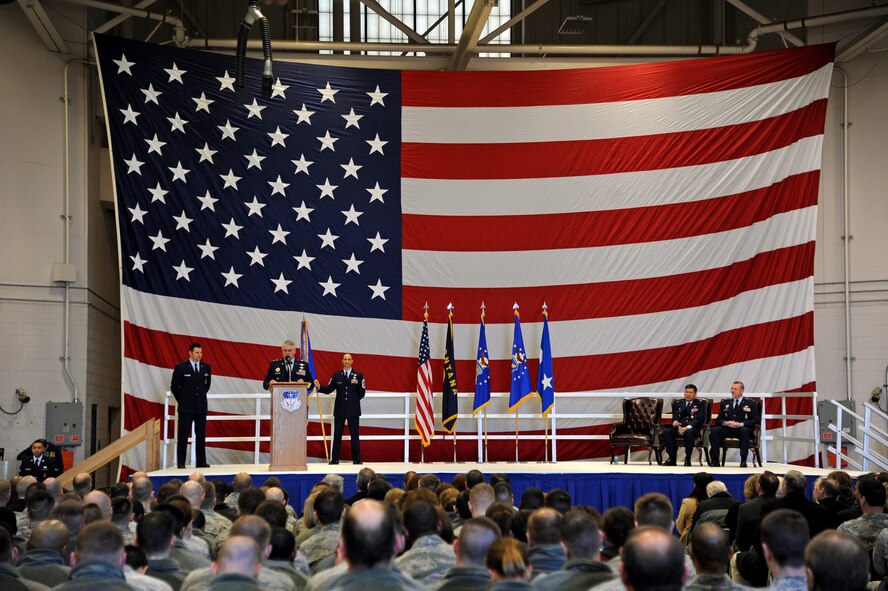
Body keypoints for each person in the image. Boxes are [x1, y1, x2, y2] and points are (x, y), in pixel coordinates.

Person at [317, 353, 365, 465]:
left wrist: (351, 401)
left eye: (349, 359)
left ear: (352, 361)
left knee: (354, 435)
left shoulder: (358, 375)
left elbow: (362, 392)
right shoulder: (336, 375)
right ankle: (335, 459)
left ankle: (357, 459)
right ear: (342, 361)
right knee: (337, 434)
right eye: (345, 359)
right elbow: (329, 389)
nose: (347, 361)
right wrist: (319, 387)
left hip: (353, 409)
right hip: (340, 409)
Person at [170, 343, 212, 469]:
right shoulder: (181, 367)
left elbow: (206, 386)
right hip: (186, 408)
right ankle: (181, 462)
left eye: (201, 352)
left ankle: (201, 462)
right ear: (190, 353)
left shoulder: (206, 367)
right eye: (197, 352)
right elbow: (174, 387)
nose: (199, 355)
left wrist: (199, 398)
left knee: (201, 435)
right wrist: (183, 400)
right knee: (183, 435)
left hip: (200, 407)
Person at [709, 381, 759, 467]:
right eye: (732, 388)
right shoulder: (725, 403)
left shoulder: (750, 403)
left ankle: (743, 460)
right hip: (728, 428)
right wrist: (725, 423)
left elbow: (756, 420)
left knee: (744, 431)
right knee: (715, 430)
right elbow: (719, 419)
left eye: (735, 389)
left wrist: (741, 424)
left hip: (741, 429)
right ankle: (715, 460)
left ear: (742, 391)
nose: (732, 391)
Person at [663, 384, 708, 466]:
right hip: (679, 427)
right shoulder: (678, 403)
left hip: (692, 428)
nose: (688, 394)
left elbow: (699, 419)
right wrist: (675, 421)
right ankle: (672, 458)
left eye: (690, 392)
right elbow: (675, 416)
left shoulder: (701, 403)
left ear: (695, 394)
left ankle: (688, 458)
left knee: (689, 432)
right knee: (667, 431)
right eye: (686, 392)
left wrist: (687, 427)